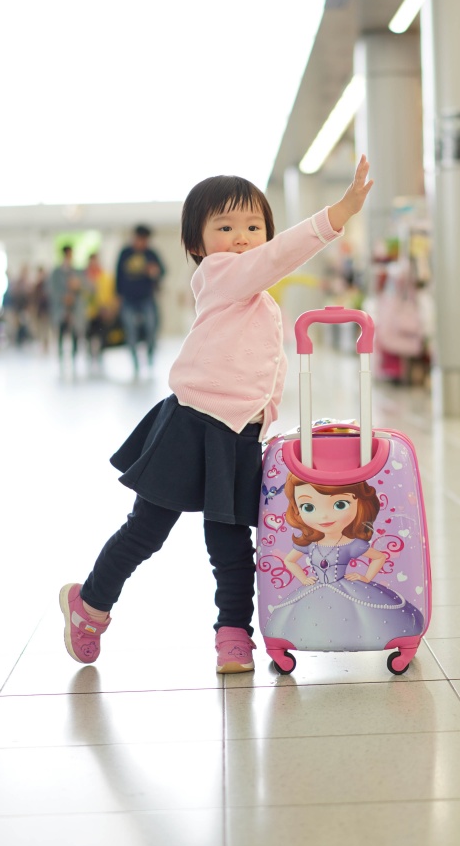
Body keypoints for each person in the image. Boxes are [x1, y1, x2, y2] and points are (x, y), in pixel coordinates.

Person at [58, 156, 373, 674]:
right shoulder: (222, 273)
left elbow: (268, 368)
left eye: (253, 226)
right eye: (225, 227)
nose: (242, 237)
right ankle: (89, 606)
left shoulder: (261, 303)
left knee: (230, 545)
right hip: (190, 425)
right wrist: (336, 214)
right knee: (146, 531)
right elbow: (270, 263)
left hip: (237, 436)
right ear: (198, 244)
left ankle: (233, 636)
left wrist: (264, 420)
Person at [264, 472, 424, 650]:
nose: (324, 516)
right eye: (308, 507)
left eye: (340, 504)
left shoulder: (351, 544)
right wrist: (303, 579)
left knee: (358, 618)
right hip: (315, 588)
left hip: (346, 588)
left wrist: (366, 578)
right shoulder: (310, 544)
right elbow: (290, 561)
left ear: (360, 505)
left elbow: (379, 557)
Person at [115, 225, 166, 375]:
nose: (142, 243)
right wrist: (117, 296)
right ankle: (135, 362)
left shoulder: (151, 254)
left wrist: (154, 272)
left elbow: (162, 271)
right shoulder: (125, 253)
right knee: (130, 331)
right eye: (140, 239)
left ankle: (150, 356)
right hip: (128, 299)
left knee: (151, 328)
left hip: (147, 298)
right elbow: (118, 275)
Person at [48, 245, 89, 367]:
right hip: (61, 308)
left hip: (74, 308)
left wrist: (77, 288)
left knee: (75, 333)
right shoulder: (56, 273)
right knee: (61, 332)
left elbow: (84, 287)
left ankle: (74, 357)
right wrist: (63, 298)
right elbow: (52, 290)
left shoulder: (76, 272)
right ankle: (61, 357)